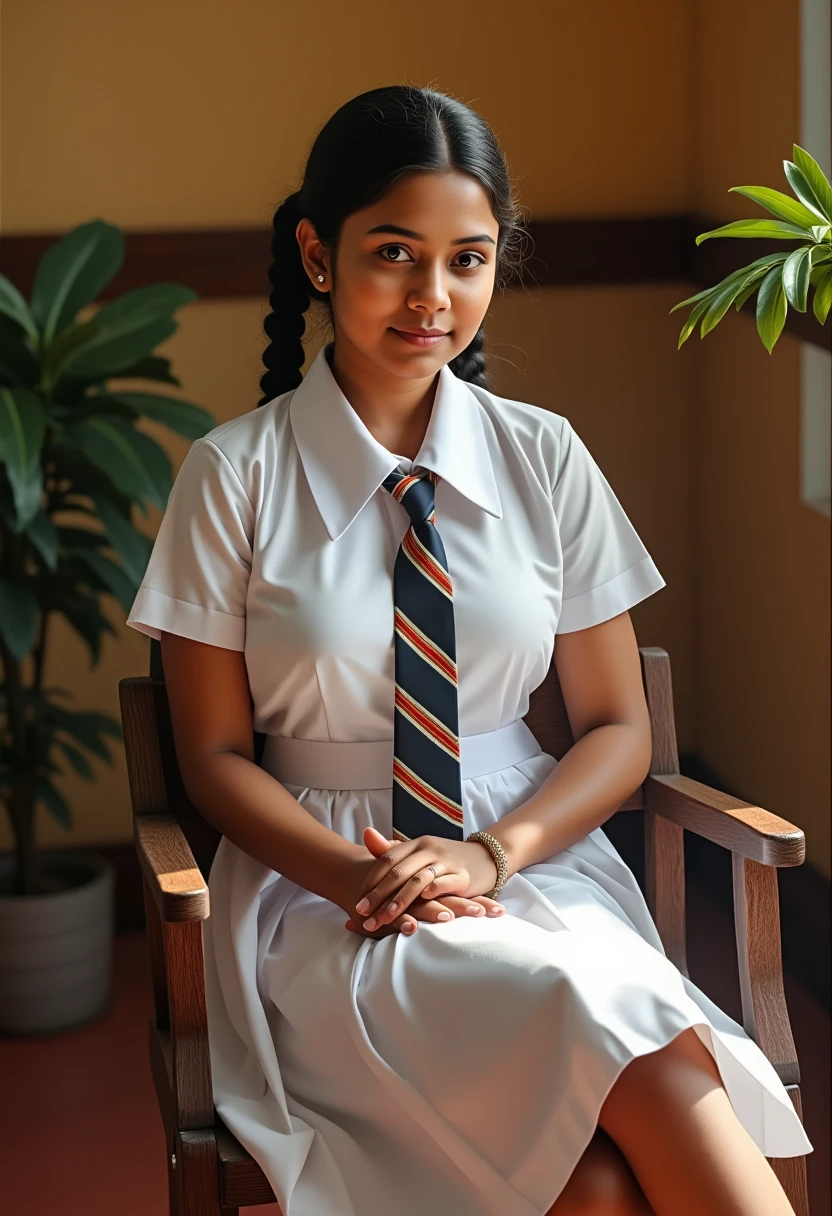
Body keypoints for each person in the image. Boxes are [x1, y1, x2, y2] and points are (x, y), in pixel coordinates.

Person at [126, 85, 812, 1216]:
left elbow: (616, 727)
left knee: (598, 1166)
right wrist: (374, 875)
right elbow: (210, 755)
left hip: (537, 862)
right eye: (395, 253)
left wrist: (491, 856)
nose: (432, 297)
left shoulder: (544, 458)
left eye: (469, 258)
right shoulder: (233, 476)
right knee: (636, 1055)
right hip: (326, 890)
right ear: (317, 252)